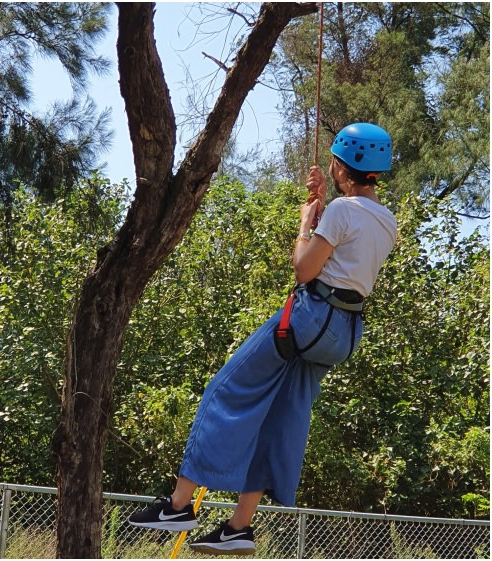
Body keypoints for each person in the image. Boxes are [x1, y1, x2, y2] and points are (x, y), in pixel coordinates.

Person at [128, 123, 398, 556]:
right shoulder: (387, 221)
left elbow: (305, 269)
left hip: (310, 319)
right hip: (343, 334)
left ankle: (179, 505)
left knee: (223, 391)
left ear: (343, 165)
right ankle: (239, 527)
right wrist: (323, 206)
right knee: (278, 418)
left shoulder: (342, 212)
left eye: (333, 162)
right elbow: (350, 246)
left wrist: (304, 225)